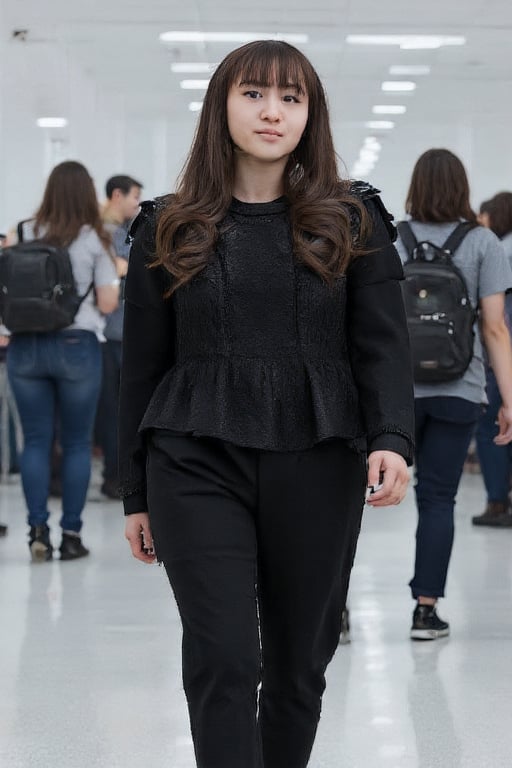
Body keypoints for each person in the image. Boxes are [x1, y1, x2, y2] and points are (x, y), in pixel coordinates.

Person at [119, 40, 414, 768]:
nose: (272, 112)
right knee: (224, 655)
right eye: (253, 94)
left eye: (291, 97)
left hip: (319, 454)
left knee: (296, 665)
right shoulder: (168, 223)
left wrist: (393, 436)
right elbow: (140, 367)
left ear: (311, 114)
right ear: (222, 106)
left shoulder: (354, 218)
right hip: (193, 455)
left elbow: (382, 342)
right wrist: (135, 490)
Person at [395, 150, 512, 641]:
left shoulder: (391, 238)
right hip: (460, 389)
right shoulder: (483, 241)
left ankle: (334, 612)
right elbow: (494, 329)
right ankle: (425, 611)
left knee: (351, 502)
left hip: (393, 394)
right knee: (438, 499)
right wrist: (508, 399)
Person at [6, 161, 119, 562]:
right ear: (86, 194)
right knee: (76, 443)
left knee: (34, 442)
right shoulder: (96, 239)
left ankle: (37, 531)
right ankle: (71, 535)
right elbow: (107, 302)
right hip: (77, 346)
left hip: (25, 346)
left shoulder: (22, 231)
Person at [97, 174, 143, 498]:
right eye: (134, 197)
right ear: (117, 195)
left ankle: (116, 476)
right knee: (118, 411)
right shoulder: (108, 234)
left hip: (112, 334)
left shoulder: (112, 232)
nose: (136, 204)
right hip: (115, 333)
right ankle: (117, 477)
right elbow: (122, 273)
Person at [473, 192, 512, 526]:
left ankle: (497, 503)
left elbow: (495, 324)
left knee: (492, 429)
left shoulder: (495, 250)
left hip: (501, 357)